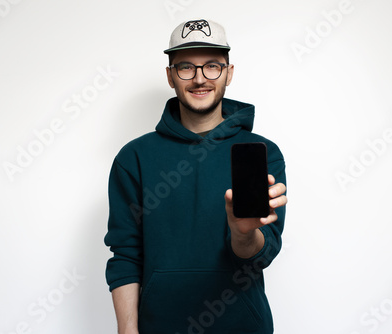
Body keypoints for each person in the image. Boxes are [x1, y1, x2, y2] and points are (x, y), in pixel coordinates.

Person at [104, 19, 288, 334]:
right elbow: (125, 253)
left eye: (212, 66)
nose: (200, 78)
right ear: (170, 76)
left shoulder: (261, 153)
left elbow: (262, 254)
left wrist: (243, 234)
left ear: (229, 73)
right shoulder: (133, 158)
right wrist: (127, 330)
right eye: (186, 67)